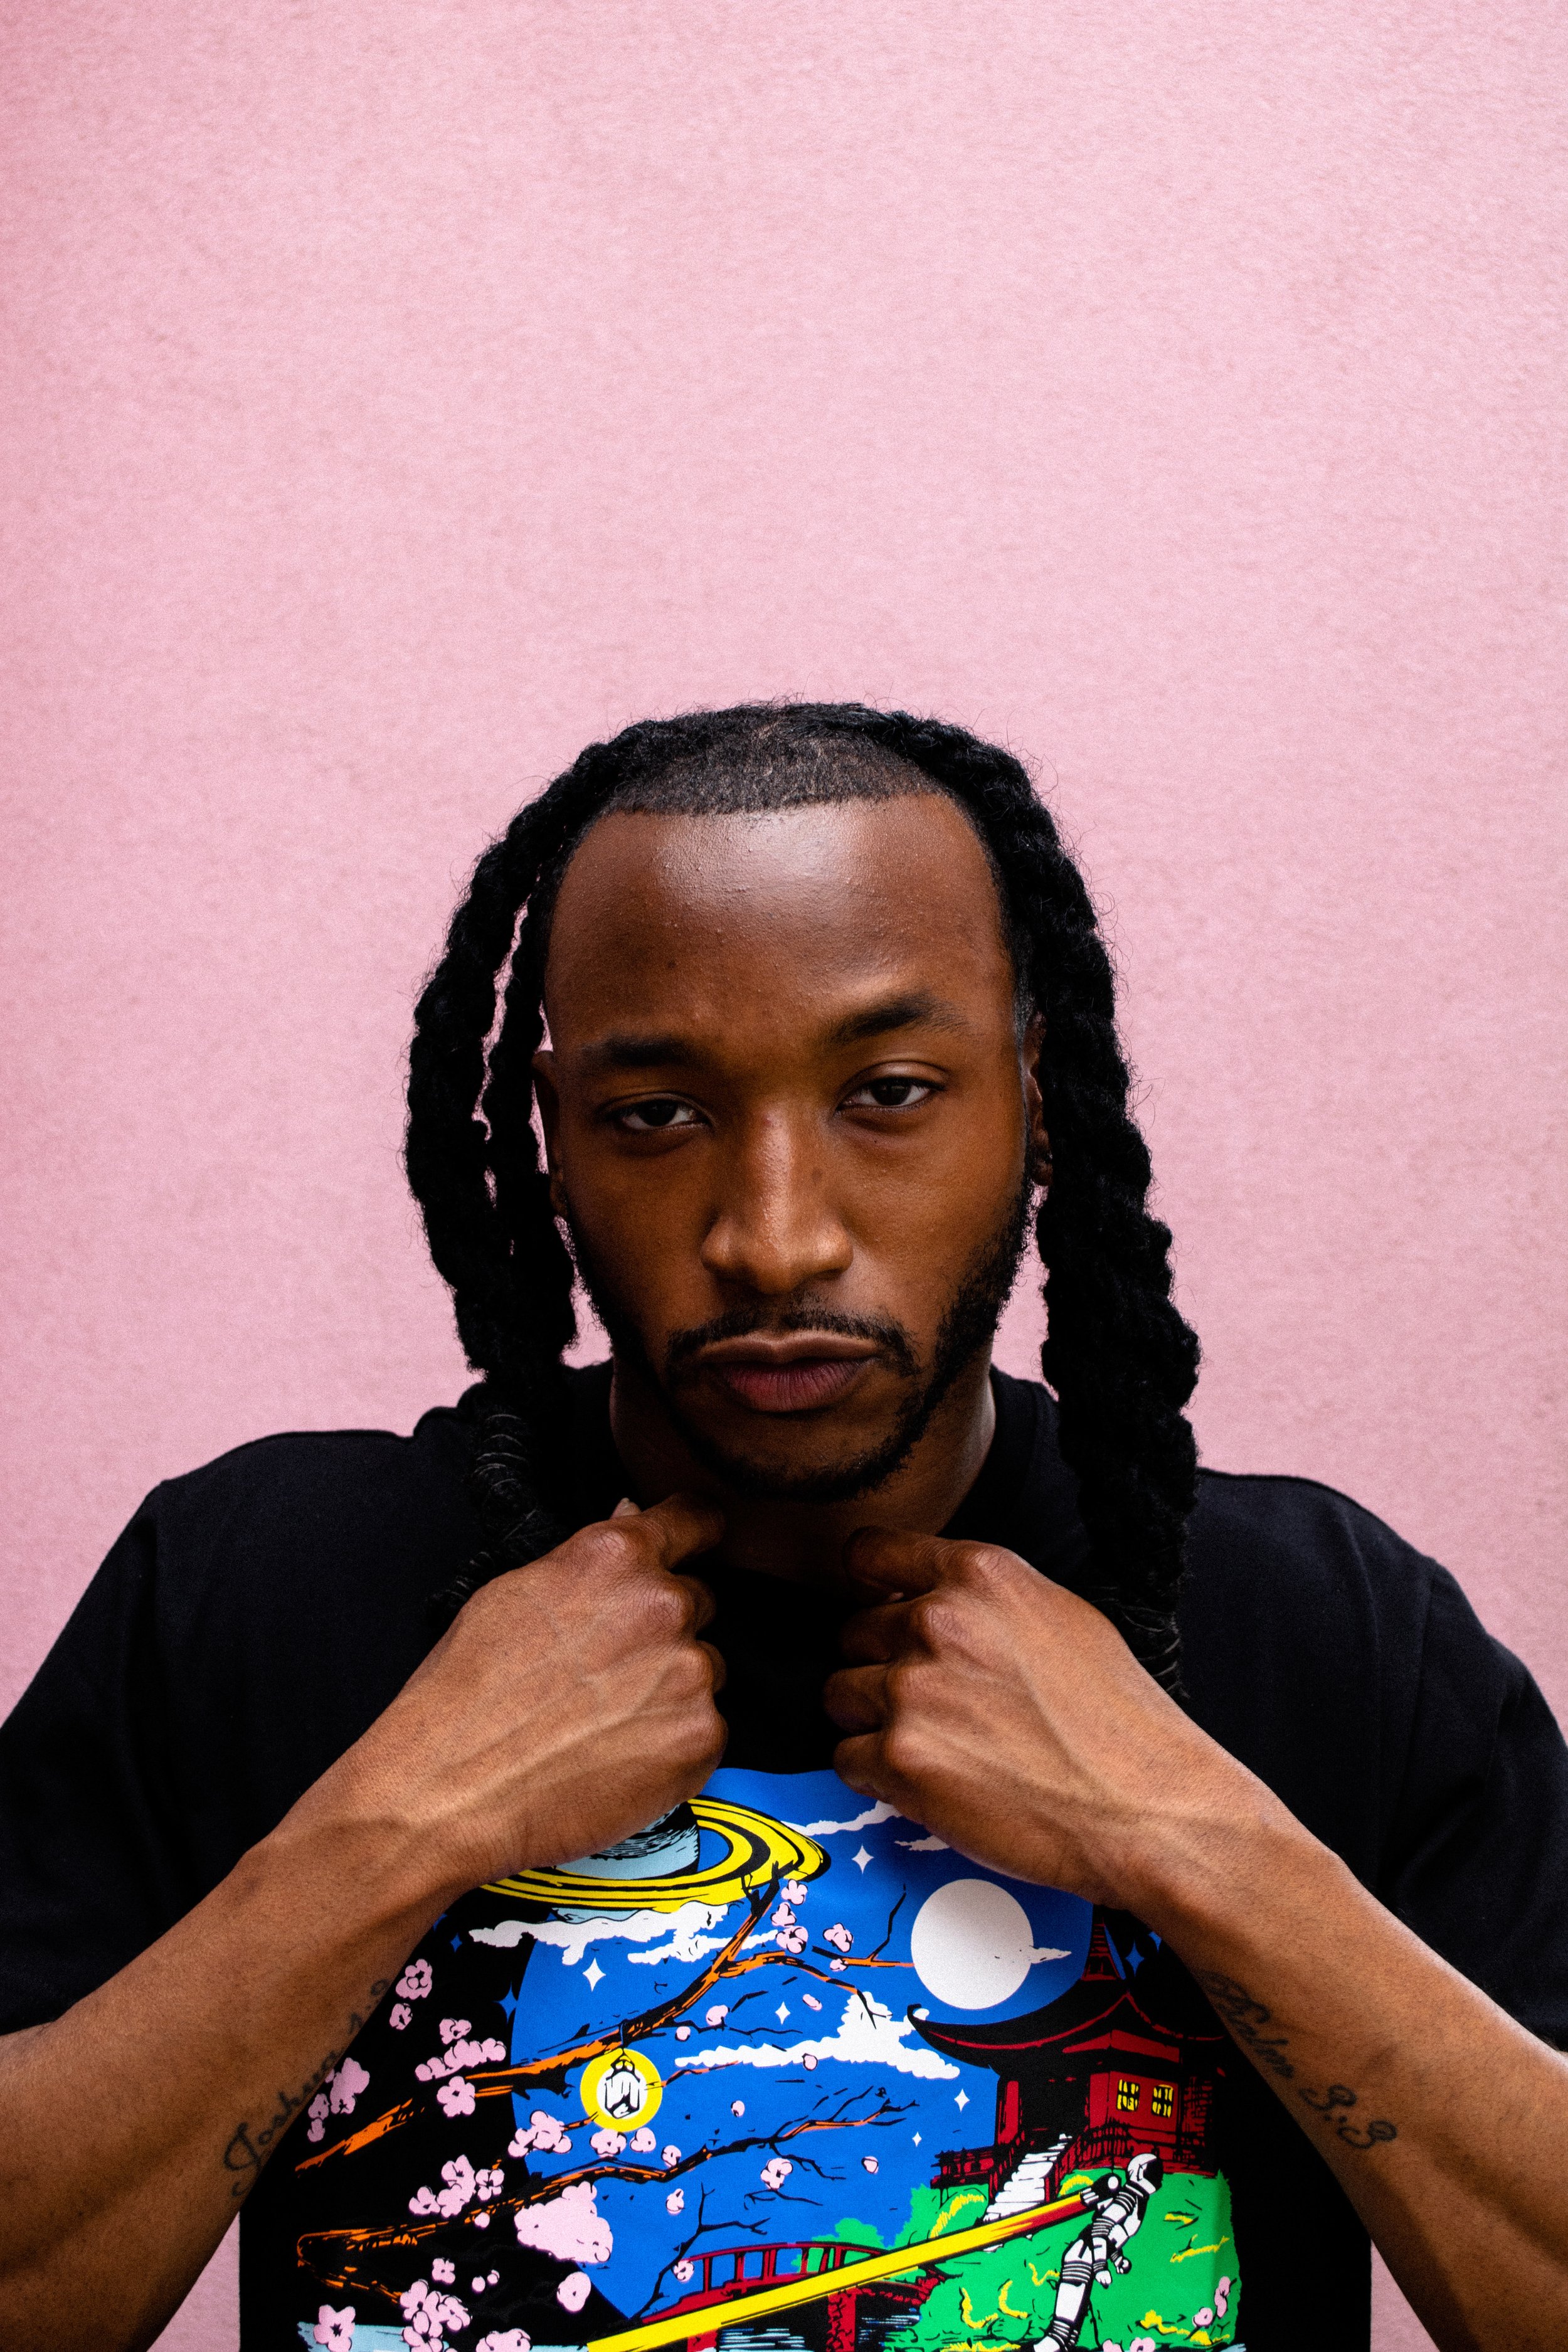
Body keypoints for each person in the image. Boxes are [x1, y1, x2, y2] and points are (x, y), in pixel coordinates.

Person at [1, 702, 1564, 2352]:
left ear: (1034, 1094)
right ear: (546, 1131)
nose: (771, 1233)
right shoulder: (257, 1590)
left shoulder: (1318, 1627)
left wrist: (1200, 1842)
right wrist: (389, 1831)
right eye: (658, 1113)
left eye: (886, 1091)